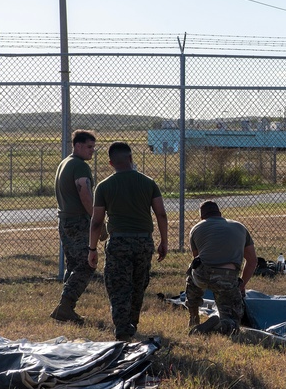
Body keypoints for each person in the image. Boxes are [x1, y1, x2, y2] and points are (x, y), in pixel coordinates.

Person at [87, 142, 168, 342]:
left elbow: (97, 222)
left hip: (119, 242)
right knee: (138, 284)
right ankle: (132, 321)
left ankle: (123, 326)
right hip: (143, 242)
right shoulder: (149, 183)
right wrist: (164, 242)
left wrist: (92, 248)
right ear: (131, 159)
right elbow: (161, 214)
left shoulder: (104, 186)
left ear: (110, 163)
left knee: (118, 285)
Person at [187, 200, 257, 336]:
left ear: (202, 217)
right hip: (227, 277)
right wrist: (241, 284)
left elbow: (197, 258)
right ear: (220, 213)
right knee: (233, 322)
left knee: (192, 271)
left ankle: (193, 316)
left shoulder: (196, 228)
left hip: (202, 274)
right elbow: (252, 261)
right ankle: (222, 323)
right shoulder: (240, 227)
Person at [51, 130, 98, 323]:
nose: (92, 151)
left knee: (73, 265)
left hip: (65, 220)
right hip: (78, 221)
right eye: (89, 147)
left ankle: (66, 309)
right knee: (87, 264)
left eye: (93, 147)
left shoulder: (65, 163)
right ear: (77, 145)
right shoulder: (79, 166)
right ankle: (65, 305)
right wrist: (95, 218)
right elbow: (84, 193)